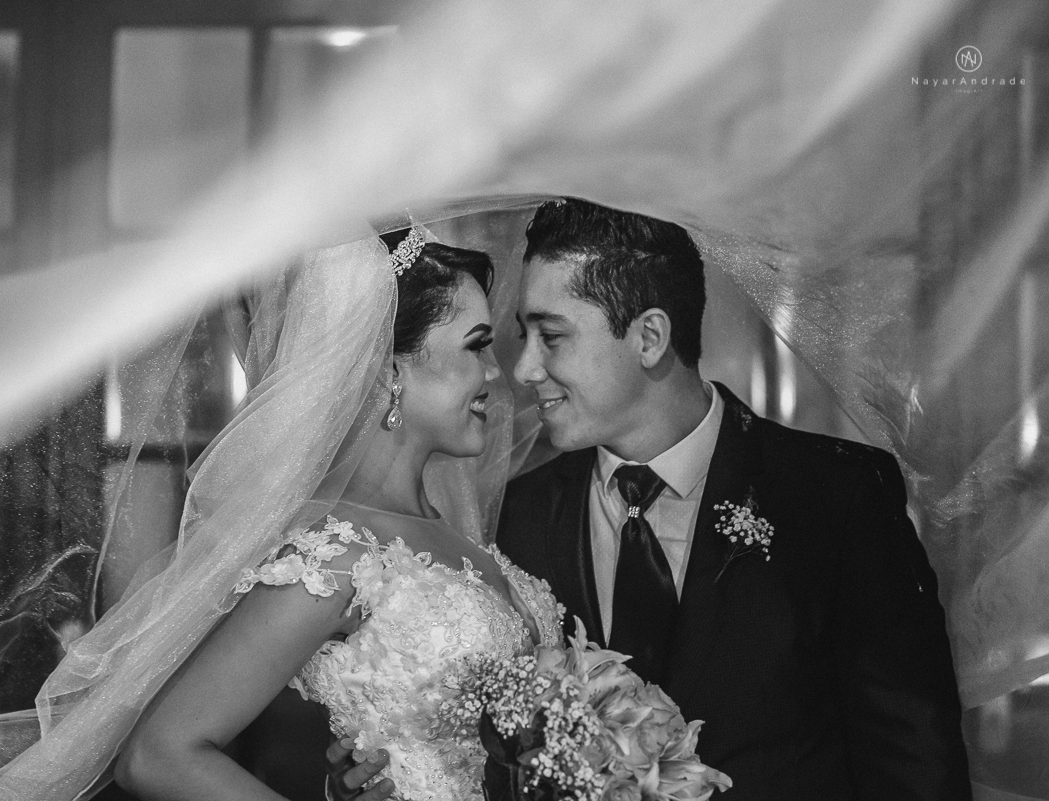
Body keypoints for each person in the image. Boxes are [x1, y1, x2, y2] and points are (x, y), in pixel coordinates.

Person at [331, 199, 973, 801]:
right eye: (520, 336)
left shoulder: (834, 496)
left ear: (649, 338)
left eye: (551, 337)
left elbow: (916, 763)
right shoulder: (520, 512)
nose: (523, 369)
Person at [112, 227, 563, 801]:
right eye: (476, 346)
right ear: (387, 370)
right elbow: (158, 755)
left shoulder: (453, 529)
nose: (495, 374)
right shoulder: (338, 553)